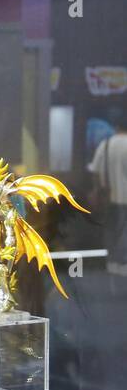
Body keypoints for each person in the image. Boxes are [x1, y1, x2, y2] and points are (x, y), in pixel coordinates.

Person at [88, 108, 127, 277]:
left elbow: (95, 170)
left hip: (109, 197)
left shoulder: (106, 144)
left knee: (112, 231)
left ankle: (112, 266)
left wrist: (98, 188)